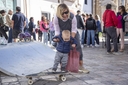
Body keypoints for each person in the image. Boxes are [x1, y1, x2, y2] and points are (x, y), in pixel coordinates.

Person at [53, 3, 89, 73]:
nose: (65, 14)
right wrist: (58, 38)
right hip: (62, 34)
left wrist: (71, 40)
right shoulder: (56, 18)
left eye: (66, 12)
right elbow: (57, 30)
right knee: (61, 49)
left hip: (73, 33)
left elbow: (74, 29)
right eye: (63, 13)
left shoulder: (72, 17)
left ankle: (80, 66)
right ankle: (63, 67)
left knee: (77, 47)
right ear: (59, 13)